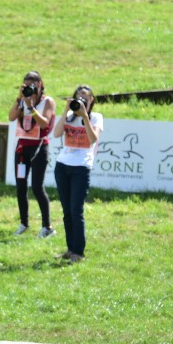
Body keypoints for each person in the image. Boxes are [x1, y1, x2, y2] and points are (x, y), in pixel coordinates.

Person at [53, 85, 102, 263]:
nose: (81, 100)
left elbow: (92, 139)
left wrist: (84, 117)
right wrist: (67, 109)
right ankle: (70, 248)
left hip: (81, 167)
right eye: (78, 97)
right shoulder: (68, 116)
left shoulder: (96, 118)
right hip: (62, 165)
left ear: (91, 101)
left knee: (76, 210)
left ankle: (78, 252)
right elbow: (56, 133)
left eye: (85, 98)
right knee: (66, 211)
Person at [9, 71, 56, 238]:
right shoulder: (22, 100)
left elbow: (45, 123)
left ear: (40, 85)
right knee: (21, 186)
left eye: (33, 85)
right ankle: (24, 223)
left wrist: (31, 107)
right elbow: (11, 117)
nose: (30, 88)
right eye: (27, 85)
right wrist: (20, 99)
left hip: (39, 148)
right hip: (22, 149)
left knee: (37, 187)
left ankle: (47, 227)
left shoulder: (47, 102)